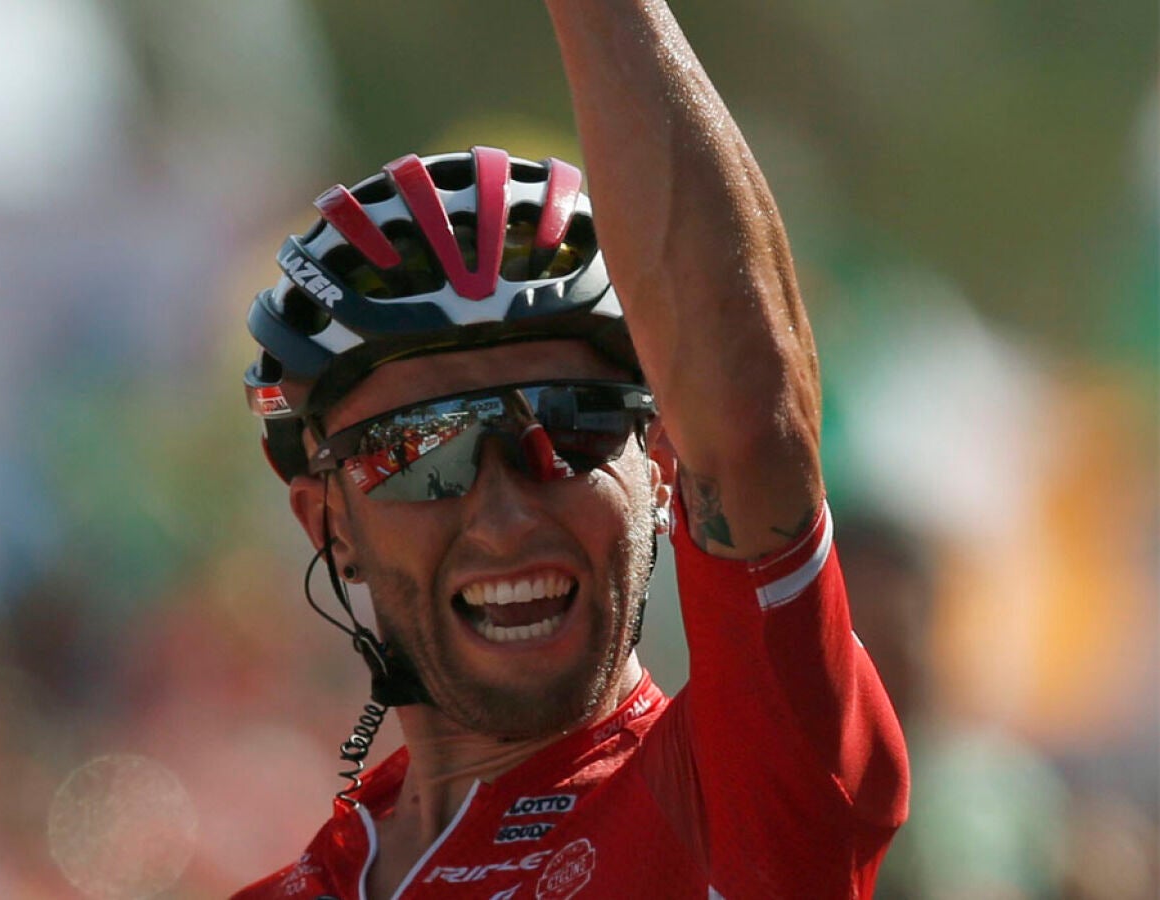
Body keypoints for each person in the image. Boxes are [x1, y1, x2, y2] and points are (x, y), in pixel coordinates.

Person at [234, 1, 909, 896]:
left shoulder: (736, 797)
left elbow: (753, 427)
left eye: (571, 425)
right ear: (329, 523)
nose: (505, 516)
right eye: (419, 452)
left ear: (659, 461)